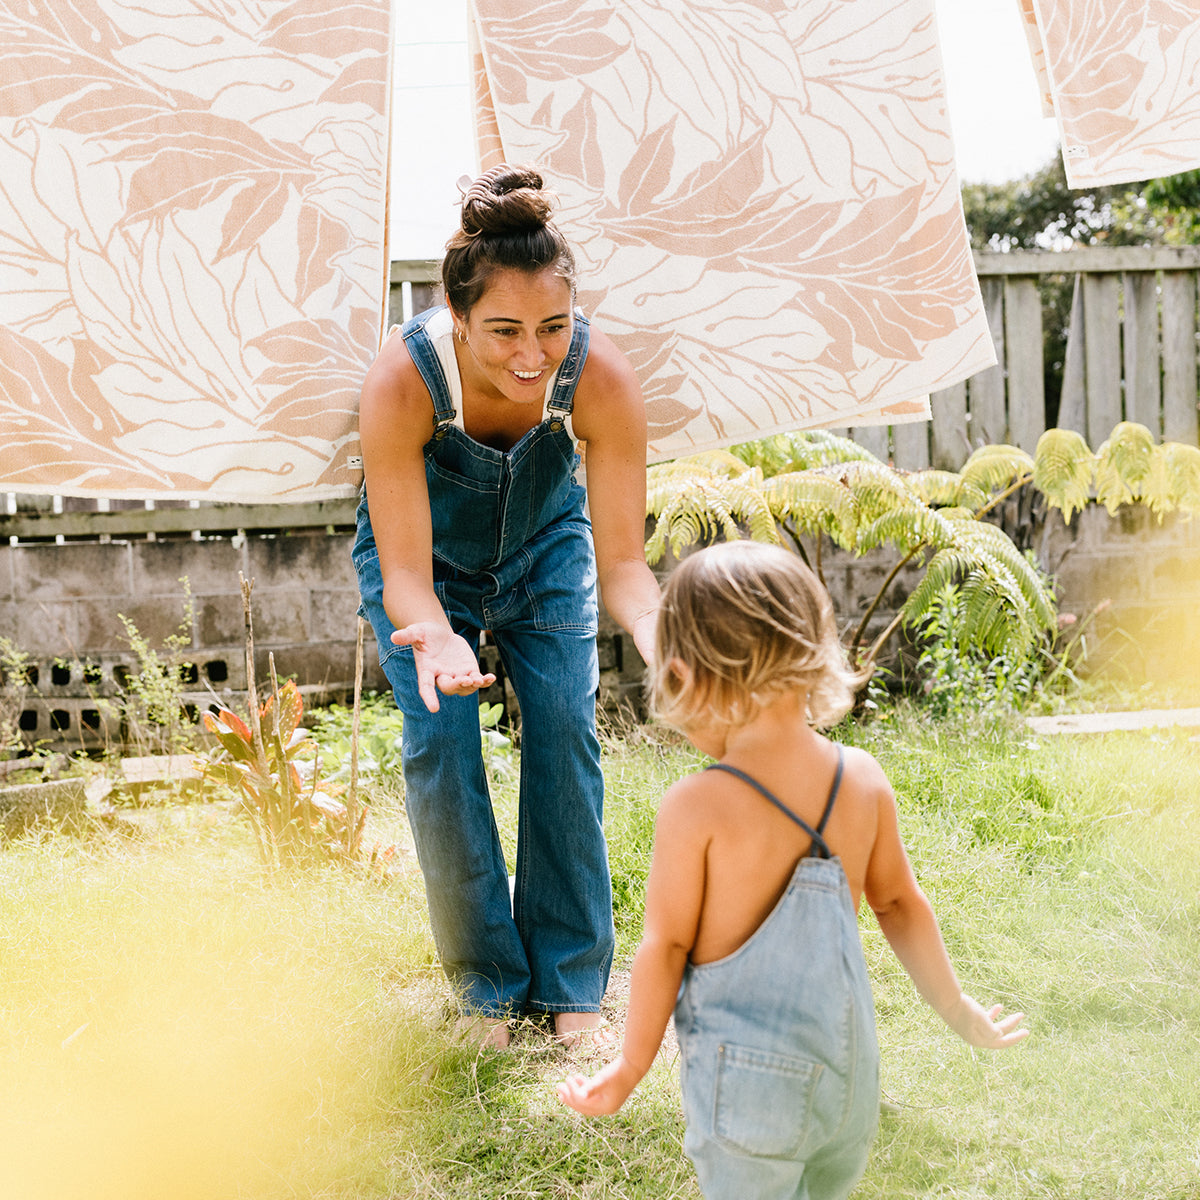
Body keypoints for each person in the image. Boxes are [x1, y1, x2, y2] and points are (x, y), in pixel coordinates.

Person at [556, 541, 1028, 1198]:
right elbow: (901, 904)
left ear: (686, 677)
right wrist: (955, 1006)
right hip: (848, 1081)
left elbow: (665, 947)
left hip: (748, 1093)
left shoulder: (696, 807)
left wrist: (632, 1064)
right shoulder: (861, 780)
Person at [352, 164, 661, 1052]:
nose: (533, 354)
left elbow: (628, 567)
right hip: (425, 570)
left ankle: (571, 985)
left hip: (545, 546)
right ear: (456, 318)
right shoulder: (402, 379)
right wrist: (441, 637)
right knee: (441, 741)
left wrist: (660, 632)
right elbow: (406, 575)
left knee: (564, 726)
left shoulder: (600, 378)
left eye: (554, 327)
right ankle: (488, 988)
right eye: (504, 330)